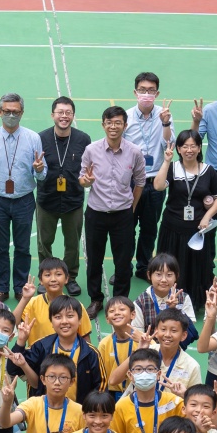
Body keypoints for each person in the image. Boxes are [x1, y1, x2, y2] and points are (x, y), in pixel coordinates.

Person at [0, 93, 46, 298]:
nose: (11, 115)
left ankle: (20, 287)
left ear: (22, 113)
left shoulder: (33, 138)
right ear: (0, 112)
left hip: (24, 200)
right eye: (7, 111)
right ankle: (2, 287)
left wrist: (39, 169)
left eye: (15, 112)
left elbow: (42, 175)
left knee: (23, 247)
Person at [79, 105, 147, 314]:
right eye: (109, 123)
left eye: (118, 123)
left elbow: (140, 182)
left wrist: (131, 208)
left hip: (123, 215)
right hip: (96, 213)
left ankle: (120, 301)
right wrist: (87, 181)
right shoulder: (91, 150)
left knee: (123, 261)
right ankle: (96, 299)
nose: (113, 127)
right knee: (94, 259)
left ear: (125, 126)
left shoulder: (134, 152)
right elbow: (82, 179)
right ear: (103, 125)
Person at [151, 130, 217, 309]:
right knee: (169, 267)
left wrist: (207, 216)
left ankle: (193, 302)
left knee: (196, 267)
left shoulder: (208, 171)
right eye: (185, 146)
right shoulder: (173, 168)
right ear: (178, 149)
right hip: (172, 229)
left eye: (193, 146)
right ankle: (168, 300)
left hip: (197, 231)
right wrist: (166, 161)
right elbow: (158, 186)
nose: (189, 150)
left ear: (199, 148)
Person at [36, 97, 90, 293]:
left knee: (72, 243)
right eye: (60, 112)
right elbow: (35, 169)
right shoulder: (40, 139)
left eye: (68, 113)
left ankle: (70, 277)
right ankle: (45, 277)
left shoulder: (83, 139)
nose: (64, 116)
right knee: (44, 243)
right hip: (46, 200)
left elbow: (88, 168)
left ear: (73, 115)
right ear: (53, 115)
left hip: (73, 201)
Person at [126, 72, 173, 269]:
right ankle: (124, 267)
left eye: (151, 90)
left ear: (157, 93)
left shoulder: (165, 115)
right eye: (143, 90)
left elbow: (169, 144)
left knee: (149, 228)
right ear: (135, 92)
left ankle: (144, 266)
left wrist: (165, 123)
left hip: (155, 181)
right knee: (127, 227)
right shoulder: (127, 117)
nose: (147, 94)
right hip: (131, 181)